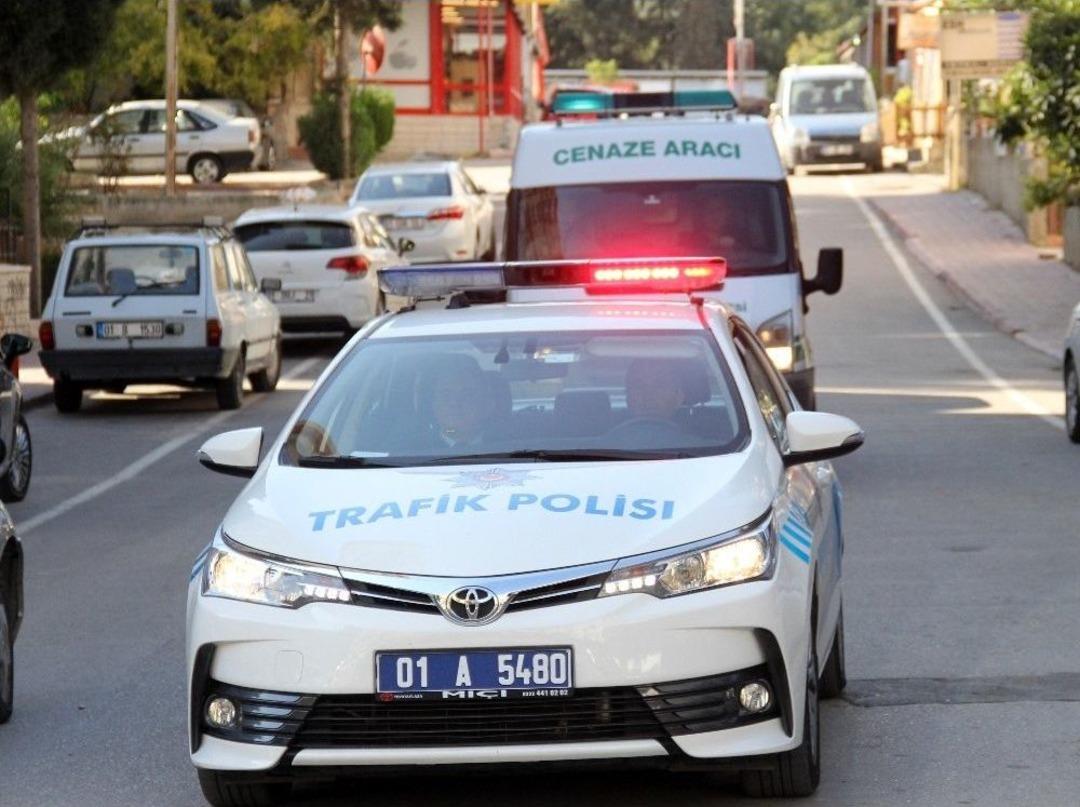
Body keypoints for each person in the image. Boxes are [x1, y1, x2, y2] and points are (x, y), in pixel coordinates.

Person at [427, 360, 497, 449]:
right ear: (434, 405)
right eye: (446, 394)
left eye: (467, 394)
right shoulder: (413, 448)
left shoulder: (509, 445)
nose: (454, 402)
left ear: (487, 406)